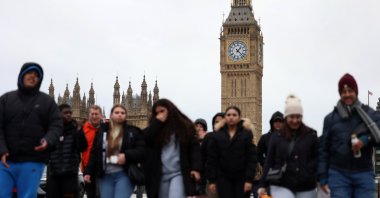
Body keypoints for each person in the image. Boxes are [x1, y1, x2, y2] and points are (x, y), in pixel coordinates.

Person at [0, 62, 63, 197]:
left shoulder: (47, 102)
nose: (32, 77)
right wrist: (2, 150)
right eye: (29, 73)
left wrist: (47, 140)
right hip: (6, 160)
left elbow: (56, 126)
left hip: (33, 160)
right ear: (22, 75)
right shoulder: (6, 99)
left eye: (36, 75)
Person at [318, 73, 380, 198]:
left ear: (356, 92)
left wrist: (366, 140)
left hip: (364, 173)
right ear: (340, 94)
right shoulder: (330, 119)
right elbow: (324, 150)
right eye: (343, 91)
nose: (347, 94)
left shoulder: (370, 114)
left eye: (350, 91)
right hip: (338, 175)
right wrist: (322, 176)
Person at [258, 94, 318, 198]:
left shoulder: (311, 135)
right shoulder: (276, 137)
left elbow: (317, 158)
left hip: (306, 184)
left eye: (298, 117)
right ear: (286, 117)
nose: (295, 120)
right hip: (281, 183)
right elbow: (269, 160)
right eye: (291, 117)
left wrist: (310, 172)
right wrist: (263, 184)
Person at [144, 98, 202, 198]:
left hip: (178, 173)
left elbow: (194, 150)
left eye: (162, 111)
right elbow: (145, 139)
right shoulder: (156, 130)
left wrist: (196, 168)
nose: (160, 115)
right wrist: (157, 123)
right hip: (161, 174)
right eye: (157, 113)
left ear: (170, 111)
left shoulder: (184, 128)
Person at [84, 104, 145, 198]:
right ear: (111, 115)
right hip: (105, 175)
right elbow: (95, 153)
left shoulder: (133, 132)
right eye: (117, 112)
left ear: (126, 116)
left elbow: (142, 151)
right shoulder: (102, 131)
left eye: (122, 113)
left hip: (124, 174)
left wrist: (126, 156)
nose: (120, 115)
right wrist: (88, 172)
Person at [207, 106, 257, 198]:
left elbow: (251, 158)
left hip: (242, 178)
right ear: (225, 117)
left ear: (239, 117)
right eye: (229, 115)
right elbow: (212, 159)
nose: (231, 117)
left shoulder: (246, 134)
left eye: (234, 115)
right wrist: (212, 180)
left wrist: (249, 179)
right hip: (223, 178)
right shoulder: (217, 135)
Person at [47, 104, 88, 198]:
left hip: (70, 175)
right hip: (54, 174)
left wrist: (80, 131)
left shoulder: (75, 129)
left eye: (70, 113)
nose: (68, 115)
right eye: (65, 113)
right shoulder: (53, 129)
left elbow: (83, 147)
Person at [81, 105, 103, 198]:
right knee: (91, 194)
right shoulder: (83, 130)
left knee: (99, 194)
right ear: (88, 115)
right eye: (92, 114)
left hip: (101, 168)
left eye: (96, 114)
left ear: (101, 115)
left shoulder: (105, 130)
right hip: (87, 169)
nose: (94, 116)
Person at [202, 112, 224, 198]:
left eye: (221, 121)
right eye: (216, 121)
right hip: (212, 180)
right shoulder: (208, 137)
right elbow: (202, 157)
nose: (218, 123)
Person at [193, 118, 209, 198]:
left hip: (206, 174)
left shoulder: (209, 139)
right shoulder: (191, 140)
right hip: (195, 173)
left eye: (201, 126)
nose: (198, 128)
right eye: (197, 126)